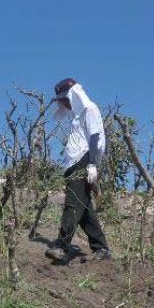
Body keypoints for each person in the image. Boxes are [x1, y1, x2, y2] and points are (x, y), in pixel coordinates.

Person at [44, 77, 112, 263]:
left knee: (73, 204)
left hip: (82, 161)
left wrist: (91, 163)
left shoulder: (89, 109)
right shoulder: (76, 115)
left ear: (74, 95)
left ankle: (61, 246)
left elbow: (95, 136)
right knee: (84, 210)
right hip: (73, 164)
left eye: (65, 99)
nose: (64, 103)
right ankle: (101, 248)